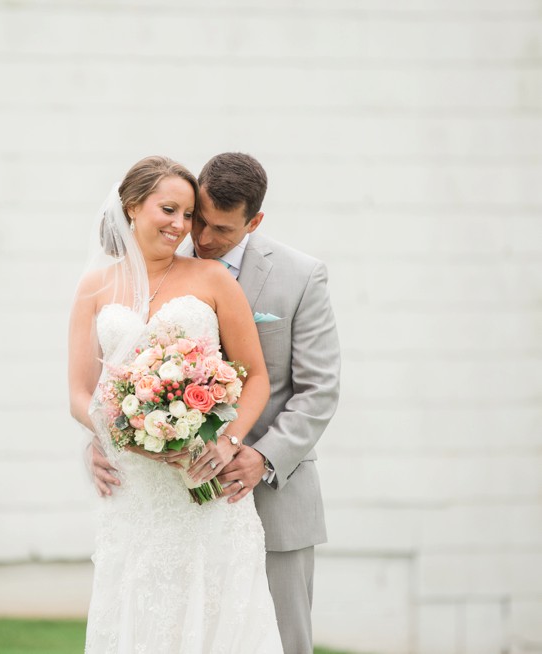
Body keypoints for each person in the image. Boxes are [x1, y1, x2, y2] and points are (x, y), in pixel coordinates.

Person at [89, 152, 341, 654]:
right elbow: (114, 373)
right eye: (197, 219)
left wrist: (259, 456)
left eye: (220, 229)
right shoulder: (154, 267)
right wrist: (105, 438)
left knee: (280, 643)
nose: (200, 237)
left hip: (272, 494)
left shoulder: (301, 275)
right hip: (169, 498)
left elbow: (319, 390)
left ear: (255, 221)